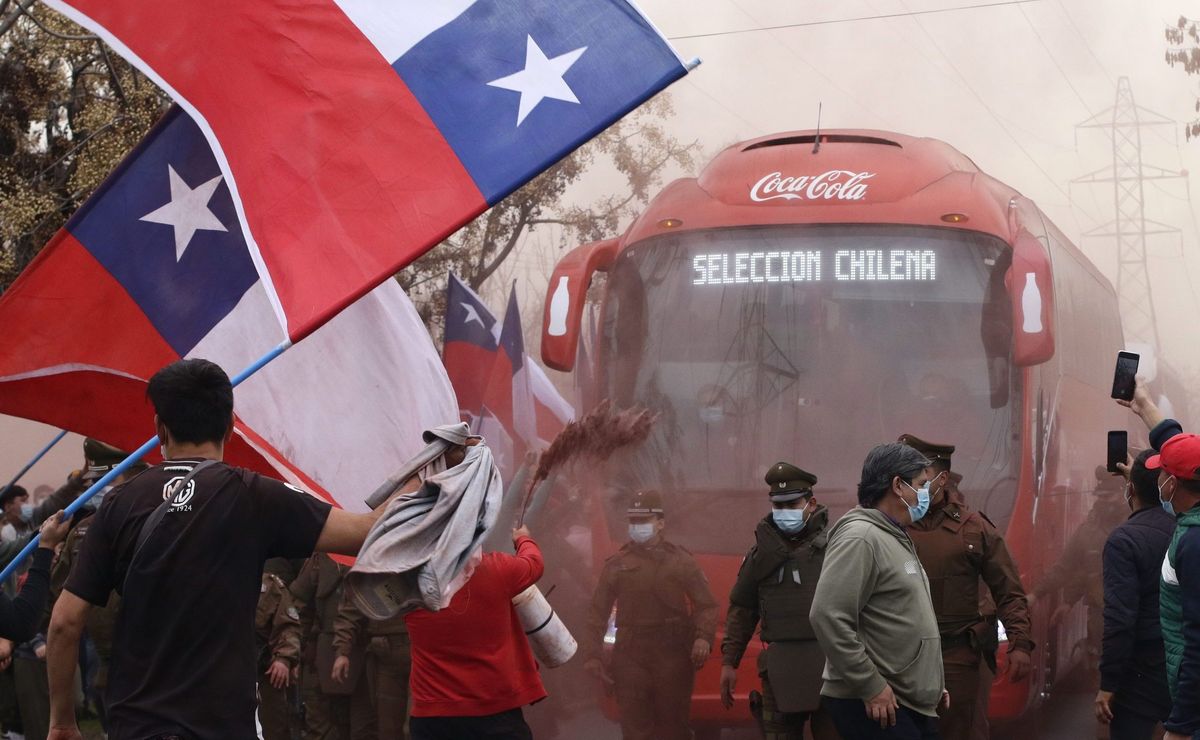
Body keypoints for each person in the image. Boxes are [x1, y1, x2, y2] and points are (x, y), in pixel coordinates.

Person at [46, 358, 438, 740]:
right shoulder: (254, 495)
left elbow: (65, 622)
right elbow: (368, 530)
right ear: (231, 426)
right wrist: (435, 467)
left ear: (160, 429)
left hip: (138, 723)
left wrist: (63, 722)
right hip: (221, 723)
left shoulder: (119, 503)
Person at [898, 435, 1033, 740]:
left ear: (942, 479)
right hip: (901, 658)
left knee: (961, 729)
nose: (914, 485)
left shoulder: (974, 528)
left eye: (922, 476)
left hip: (956, 657)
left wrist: (1020, 643)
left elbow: (1009, 591)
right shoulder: (890, 525)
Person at [811, 443, 948, 739]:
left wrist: (929, 683)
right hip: (875, 701)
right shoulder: (860, 537)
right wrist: (870, 686)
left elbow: (898, 616)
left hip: (906, 698)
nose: (927, 493)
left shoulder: (892, 536)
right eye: (921, 485)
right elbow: (827, 616)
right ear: (898, 486)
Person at [583, 490, 718, 740]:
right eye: (633, 521)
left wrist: (703, 637)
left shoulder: (680, 562)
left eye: (644, 520)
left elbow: (706, 606)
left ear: (660, 523)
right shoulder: (617, 564)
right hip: (631, 656)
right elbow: (597, 612)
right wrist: (592, 654)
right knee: (635, 728)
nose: (638, 526)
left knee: (673, 728)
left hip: (672, 655)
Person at [720, 462, 840, 740]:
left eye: (792, 504)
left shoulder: (837, 548)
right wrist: (729, 663)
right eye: (778, 505)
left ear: (811, 503)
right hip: (780, 673)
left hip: (833, 667)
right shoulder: (761, 556)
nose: (784, 512)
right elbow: (742, 610)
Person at [403, 525, 546, 739]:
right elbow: (534, 563)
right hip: (495, 714)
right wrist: (523, 538)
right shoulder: (497, 568)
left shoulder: (407, 583)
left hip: (432, 718)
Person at [1093, 449, 1174, 739]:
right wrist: (1141, 480)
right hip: (1186, 665)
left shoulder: (1124, 540)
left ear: (1130, 489)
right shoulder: (1187, 528)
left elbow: (1120, 620)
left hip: (1141, 672)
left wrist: (1108, 684)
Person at [1030, 465, 1129, 689]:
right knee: (1104, 685)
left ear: (1123, 494)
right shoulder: (1088, 531)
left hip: (1134, 620)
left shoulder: (1137, 524)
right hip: (1101, 620)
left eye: (1109, 496)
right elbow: (1071, 567)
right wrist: (1040, 595)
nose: (1103, 502)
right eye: (1100, 496)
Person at [1143, 433, 1200, 740]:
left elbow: (1197, 643)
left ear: (1172, 484)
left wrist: (1179, 726)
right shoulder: (1189, 528)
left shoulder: (1193, 542)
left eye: (1161, 472)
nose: (1158, 480)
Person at [291, 552, 374, 740]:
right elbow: (300, 606)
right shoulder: (322, 559)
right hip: (325, 652)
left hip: (371, 651)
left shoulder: (376, 552)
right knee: (325, 723)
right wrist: (295, 652)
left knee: (366, 727)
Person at [333, 593, 411, 740]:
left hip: (422, 652)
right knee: (387, 729)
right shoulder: (370, 577)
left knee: (415, 726)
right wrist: (342, 651)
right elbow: (352, 607)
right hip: (385, 655)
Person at [256, 562, 302, 740]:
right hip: (222, 673)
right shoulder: (213, 584)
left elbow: (288, 627)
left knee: (273, 729)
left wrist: (284, 659)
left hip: (262, 672)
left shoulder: (269, 587)